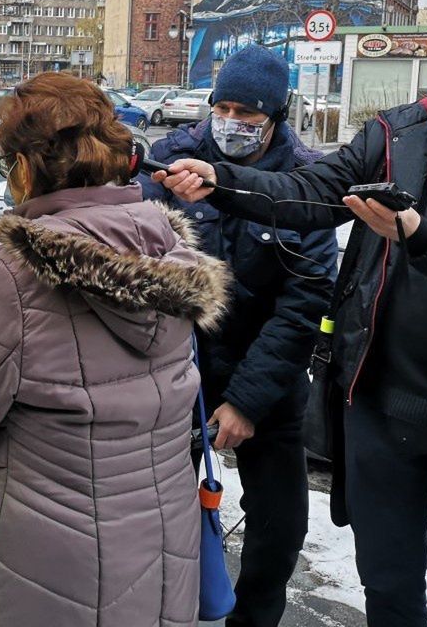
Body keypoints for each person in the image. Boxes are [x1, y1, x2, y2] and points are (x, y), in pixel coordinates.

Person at [156, 0, 427, 627]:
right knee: (387, 586)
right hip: (380, 405)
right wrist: (223, 182)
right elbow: (310, 191)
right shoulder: (396, 133)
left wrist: (420, 234)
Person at [0, 73, 232, 626]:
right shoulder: (168, 254)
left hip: (45, 570)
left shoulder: (12, 275)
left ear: (25, 170)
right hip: (161, 550)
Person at [140, 44, 337, 627]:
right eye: (222, 107)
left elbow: (305, 303)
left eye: (248, 114)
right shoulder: (170, 161)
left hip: (267, 380)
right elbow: (142, 268)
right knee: (154, 523)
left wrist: (247, 401)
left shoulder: (306, 180)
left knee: (279, 529)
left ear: (275, 116)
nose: (232, 123)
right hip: (178, 378)